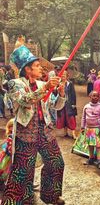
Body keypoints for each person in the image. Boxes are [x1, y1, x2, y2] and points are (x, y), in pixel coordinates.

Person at [1, 45, 66, 204]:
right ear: (27, 69)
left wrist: (61, 93)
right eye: (37, 66)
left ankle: (51, 195)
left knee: (56, 163)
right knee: (23, 169)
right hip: (25, 134)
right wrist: (47, 87)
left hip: (46, 132)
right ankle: (20, 200)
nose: (41, 68)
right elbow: (24, 100)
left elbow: (55, 106)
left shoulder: (41, 83)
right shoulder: (14, 84)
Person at [81, 91, 100, 169]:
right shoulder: (86, 106)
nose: (95, 97)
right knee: (90, 145)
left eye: (97, 96)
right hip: (89, 129)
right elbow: (83, 117)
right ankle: (91, 158)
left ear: (99, 98)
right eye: (93, 96)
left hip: (97, 130)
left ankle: (99, 161)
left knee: (98, 146)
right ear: (90, 96)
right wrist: (82, 127)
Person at [56, 71, 77, 139]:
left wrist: (74, 104)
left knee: (71, 118)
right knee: (63, 117)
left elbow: (73, 94)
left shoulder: (70, 84)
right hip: (61, 103)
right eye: (61, 74)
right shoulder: (58, 84)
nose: (63, 76)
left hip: (69, 103)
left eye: (64, 74)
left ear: (67, 76)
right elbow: (55, 93)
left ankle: (73, 134)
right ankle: (65, 132)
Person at [0, 119, 13, 187]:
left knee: (9, 170)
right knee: (5, 169)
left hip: (9, 155)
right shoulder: (10, 136)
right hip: (8, 156)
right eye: (12, 126)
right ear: (10, 127)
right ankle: (3, 182)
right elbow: (9, 147)